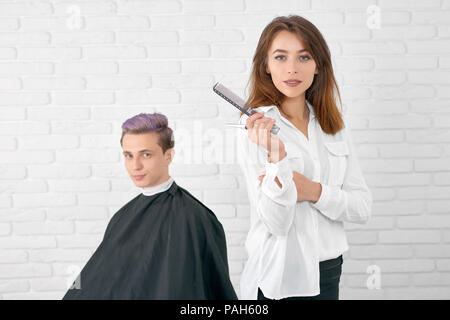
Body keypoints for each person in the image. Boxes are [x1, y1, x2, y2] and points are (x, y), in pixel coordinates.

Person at [236, 15, 373, 300]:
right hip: (278, 273)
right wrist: (277, 157)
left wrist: (313, 191)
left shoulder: (333, 125)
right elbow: (276, 222)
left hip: (329, 270)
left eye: (304, 57)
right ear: (266, 66)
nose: (292, 69)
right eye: (281, 57)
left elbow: (361, 207)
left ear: (318, 65)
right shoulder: (256, 128)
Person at [63, 112, 237, 300]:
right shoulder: (122, 217)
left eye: (146, 154)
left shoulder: (193, 217)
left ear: (168, 155)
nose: (135, 165)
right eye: (129, 156)